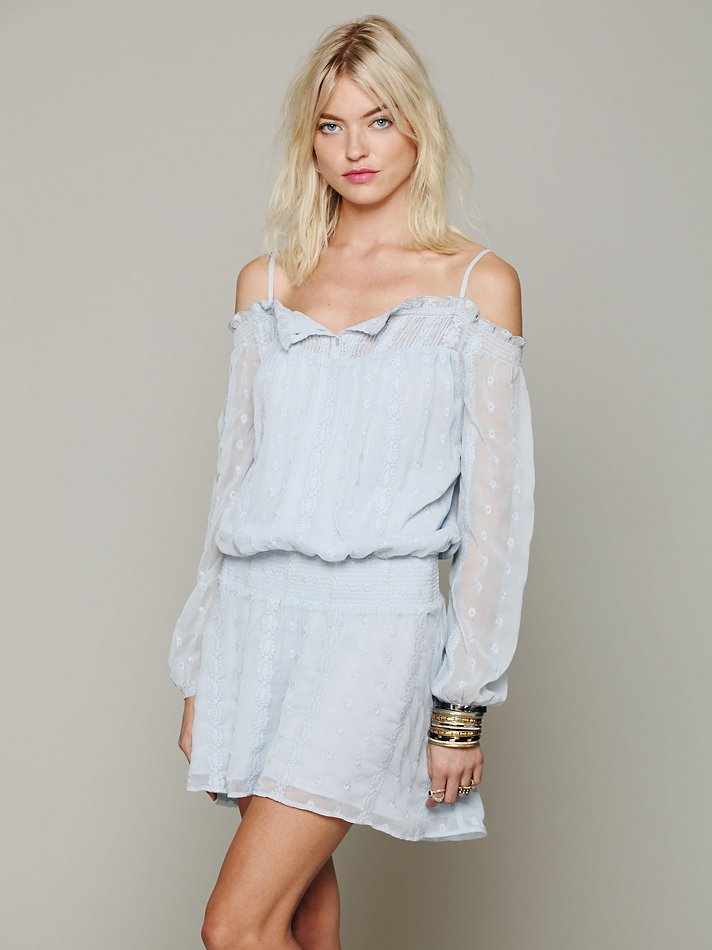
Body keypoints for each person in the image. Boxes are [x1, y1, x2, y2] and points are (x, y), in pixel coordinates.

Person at [167, 15, 535, 950]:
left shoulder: (477, 286)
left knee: (235, 929)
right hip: (257, 620)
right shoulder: (267, 283)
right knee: (298, 917)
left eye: (378, 120)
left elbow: (496, 520)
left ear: (418, 127)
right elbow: (232, 485)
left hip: (374, 626)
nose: (355, 148)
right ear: (310, 140)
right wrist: (201, 664)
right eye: (331, 126)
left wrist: (460, 706)